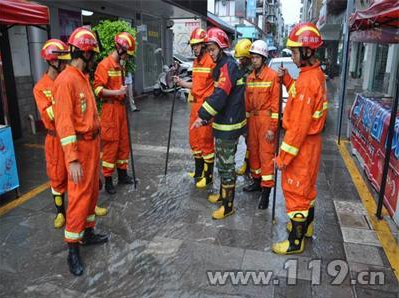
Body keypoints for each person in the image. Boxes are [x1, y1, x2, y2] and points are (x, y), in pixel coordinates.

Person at [53, 27, 109, 276]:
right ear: (85, 53)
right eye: (92, 54)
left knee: (91, 193)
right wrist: (73, 159)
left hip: (92, 145)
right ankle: (72, 250)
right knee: (77, 198)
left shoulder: (82, 77)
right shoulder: (66, 80)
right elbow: (64, 124)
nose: (94, 58)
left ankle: (87, 233)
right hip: (80, 149)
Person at [272, 22, 328, 255]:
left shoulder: (307, 82)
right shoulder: (312, 75)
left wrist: (283, 157)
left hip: (302, 145)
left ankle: (295, 240)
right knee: (307, 188)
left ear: (307, 52)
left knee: (295, 190)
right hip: (311, 144)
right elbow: (298, 93)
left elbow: (297, 128)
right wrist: (286, 80)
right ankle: (305, 226)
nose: (292, 57)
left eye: (295, 53)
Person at [191, 27, 246, 220]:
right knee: (223, 163)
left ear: (221, 48)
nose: (210, 53)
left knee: (226, 166)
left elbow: (221, 94)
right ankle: (223, 195)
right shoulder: (223, 65)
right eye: (208, 49)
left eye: (212, 49)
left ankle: (228, 205)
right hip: (224, 122)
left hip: (229, 125)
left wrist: (203, 114)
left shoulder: (227, 67)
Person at [33, 39, 70, 229]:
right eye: (61, 60)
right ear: (51, 61)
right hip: (55, 138)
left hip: (70, 136)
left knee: (76, 174)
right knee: (57, 176)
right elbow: (49, 115)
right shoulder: (40, 87)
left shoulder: (67, 80)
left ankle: (87, 206)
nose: (65, 64)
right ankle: (60, 213)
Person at [93, 32, 136, 194]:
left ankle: (123, 174)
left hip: (120, 109)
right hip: (110, 110)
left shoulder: (121, 66)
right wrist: (117, 92)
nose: (127, 57)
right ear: (119, 49)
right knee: (111, 144)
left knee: (123, 142)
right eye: (126, 53)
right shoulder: (104, 65)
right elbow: (97, 89)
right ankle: (109, 180)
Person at [174, 28, 215, 188]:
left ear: (204, 45)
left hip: (206, 106)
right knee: (195, 140)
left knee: (206, 142)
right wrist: (181, 83)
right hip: (195, 104)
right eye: (193, 46)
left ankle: (208, 176)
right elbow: (196, 85)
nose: (195, 48)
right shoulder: (196, 62)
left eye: (197, 45)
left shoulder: (211, 62)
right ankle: (198, 172)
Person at [243, 40, 279, 209]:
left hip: (265, 120)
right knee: (254, 152)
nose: (254, 60)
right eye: (253, 57)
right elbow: (247, 103)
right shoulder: (250, 77)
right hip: (253, 120)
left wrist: (272, 128)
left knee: (266, 155)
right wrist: (246, 124)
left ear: (264, 58)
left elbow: (276, 105)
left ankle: (266, 192)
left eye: (257, 57)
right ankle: (256, 182)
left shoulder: (272, 76)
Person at [233, 38, 253, 177]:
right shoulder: (238, 70)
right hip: (238, 112)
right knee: (234, 140)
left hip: (250, 113)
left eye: (242, 58)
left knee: (250, 141)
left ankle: (247, 166)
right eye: (239, 58)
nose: (240, 61)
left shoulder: (253, 73)